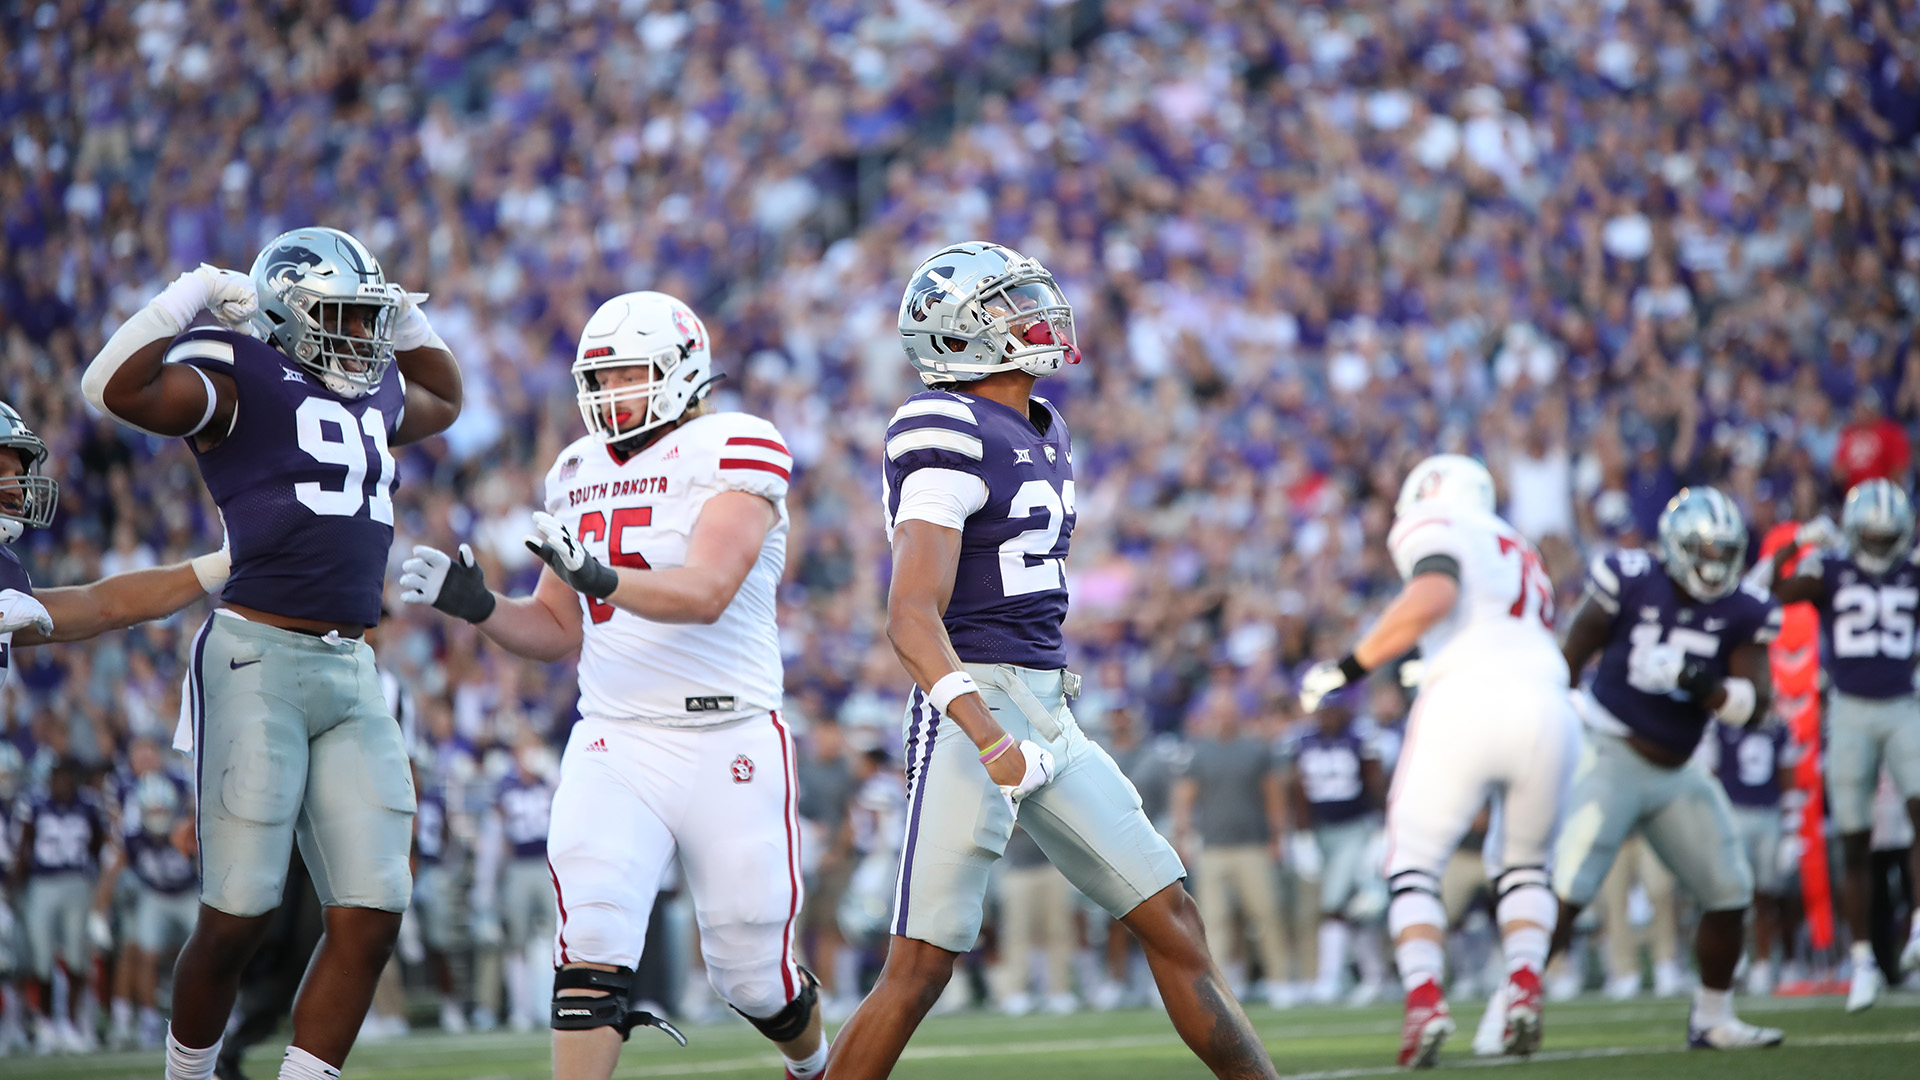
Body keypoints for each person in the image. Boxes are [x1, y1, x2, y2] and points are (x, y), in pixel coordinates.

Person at [825, 241, 1281, 1080]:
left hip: (1050, 705)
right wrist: (990, 738)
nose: (1035, 314)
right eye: (1007, 304)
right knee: (920, 967)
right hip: (971, 707)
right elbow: (910, 618)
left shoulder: (1045, 423)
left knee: (1173, 917)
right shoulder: (941, 423)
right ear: (957, 337)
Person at [398, 290, 828, 1080]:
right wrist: (482, 607)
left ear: (682, 371)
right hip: (616, 737)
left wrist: (600, 572)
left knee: (749, 975)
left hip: (727, 734)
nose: (607, 396)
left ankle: (815, 1066)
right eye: (597, 378)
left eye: (627, 375)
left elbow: (705, 593)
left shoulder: (736, 446)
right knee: (591, 938)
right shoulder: (575, 470)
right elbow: (560, 629)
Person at [80, 227, 462, 1080]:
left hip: (354, 668)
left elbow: (445, 395)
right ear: (286, 313)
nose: (361, 337)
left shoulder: (371, 387)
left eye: (366, 320)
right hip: (257, 660)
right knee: (239, 912)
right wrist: (193, 291)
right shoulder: (244, 373)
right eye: (343, 317)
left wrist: (402, 318)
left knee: (374, 908)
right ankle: (188, 1074)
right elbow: (110, 387)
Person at [1300, 454, 1579, 1067]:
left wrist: (1349, 668)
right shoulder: (1519, 545)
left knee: (1412, 867)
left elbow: (1434, 593)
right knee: (1528, 868)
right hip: (1552, 706)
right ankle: (1525, 990)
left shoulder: (1435, 523)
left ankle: (1426, 999)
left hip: (1469, 698)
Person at [1554, 486, 1784, 1050]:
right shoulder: (1630, 577)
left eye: (1724, 553)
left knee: (1730, 889)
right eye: (1704, 552)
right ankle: (1512, 999)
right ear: (1676, 548)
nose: (1715, 566)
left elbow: (1755, 708)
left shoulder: (1743, 609)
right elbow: (1569, 656)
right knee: (1567, 888)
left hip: (1678, 767)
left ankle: (1712, 1017)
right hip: (1610, 747)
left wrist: (1696, 682)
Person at [1768, 478, 1920, 1008]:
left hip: (1905, 703)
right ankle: (1862, 962)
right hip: (1851, 710)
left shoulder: (1912, 570)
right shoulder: (1831, 569)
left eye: (1887, 537)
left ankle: (1918, 926)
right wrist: (1800, 542)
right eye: (1871, 536)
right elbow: (1770, 586)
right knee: (1854, 841)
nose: (1879, 546)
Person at [1171, 686, 1291, 1007]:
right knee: (1214, 920)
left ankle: (1279, 980)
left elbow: (1273, 796)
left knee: (1265, 913)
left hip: (1253, 844)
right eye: (1218, 711)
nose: (1223, 717)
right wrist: (1183, 836)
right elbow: (1185, 797)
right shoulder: (1200, 751)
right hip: (1213, 847)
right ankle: (1221, 985)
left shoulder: (1255, 750)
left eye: (1228, 710)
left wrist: (1279, 837)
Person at [1281, 684, 1389, 1005]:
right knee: (1353, 908)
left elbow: (1374, 782)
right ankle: (1374, 975)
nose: (1327, 717)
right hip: (1321, 830)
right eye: (1322, 710)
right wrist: (1301, 834)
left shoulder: (1360, 738)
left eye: (1333, 710)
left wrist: (1381, 828)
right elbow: (1298, 789)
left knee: (1333, 903)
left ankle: (1330, 979)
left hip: (1354, 828)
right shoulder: (1302, 739)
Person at [91, 774, 199, 1050]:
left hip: (188, 894)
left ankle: (223, 1010)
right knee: (145, 954)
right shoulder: (133, 837)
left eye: (162, 809)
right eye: (152, 810)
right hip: (156, 895)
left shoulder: (187, 831)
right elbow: (112, 870)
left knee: (208, 950)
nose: (158, 816)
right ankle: (151, 1020)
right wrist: (99, 913)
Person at [12, 757, 107, 1053]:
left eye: (67, 777)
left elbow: (98, 842)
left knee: (77, 955)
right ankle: (47, 1023)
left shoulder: (89, 804)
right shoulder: (35, 803)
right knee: (41, 956)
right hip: (42, 884)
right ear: (49, 779)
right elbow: (24, 847)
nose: (62, 783)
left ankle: (71, 1022)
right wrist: (15, 885)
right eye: (57, 777)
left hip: (77, 882)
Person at [1700, 716, 1795, 996]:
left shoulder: (1778, 726)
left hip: (1769, 813)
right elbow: (1711, 773)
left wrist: (1792, 826)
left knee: (1766, 897)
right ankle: (1737, 959)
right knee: (1733, 894)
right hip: (1733, 813)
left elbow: (1786, 772)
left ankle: (1763, 963)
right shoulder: (1721, 727)